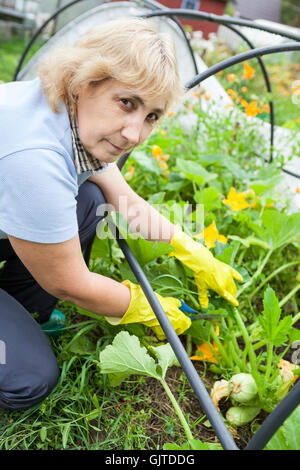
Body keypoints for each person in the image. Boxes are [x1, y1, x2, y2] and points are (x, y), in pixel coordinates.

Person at [0, 18, 242, 411]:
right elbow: (69, 283)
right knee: (28, 379)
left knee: (93, 200)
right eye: (127, 102)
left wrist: (191, 249)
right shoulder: (35, 159)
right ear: (85, 82)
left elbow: (123, 200)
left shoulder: (68, 113)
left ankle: (20, 310)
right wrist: (151, 308)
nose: (134, 134)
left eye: (150, 116)